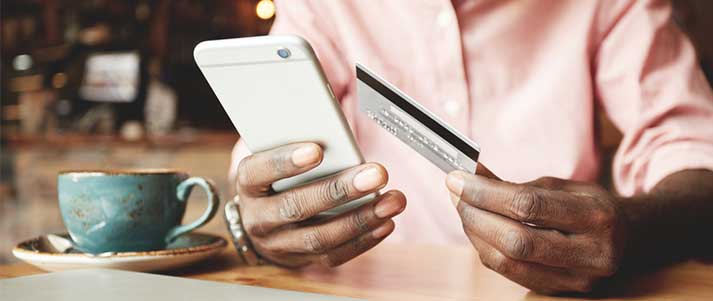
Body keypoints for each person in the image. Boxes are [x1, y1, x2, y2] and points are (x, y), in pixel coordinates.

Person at [228, 0, 713, 294]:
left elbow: (694, 150)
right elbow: (271, 160)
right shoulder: (325, 7)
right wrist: (263, 220)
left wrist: (636, 229)